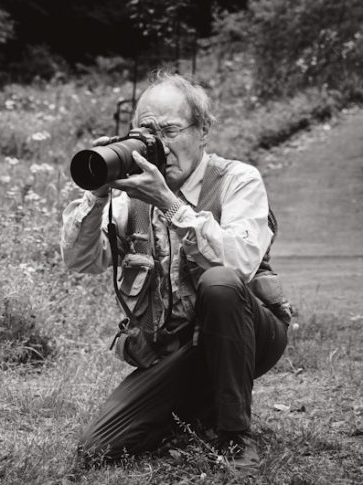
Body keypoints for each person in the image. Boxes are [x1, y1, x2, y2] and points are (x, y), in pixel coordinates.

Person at [60, 72, 291, 472]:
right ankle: (200, 402)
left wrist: (168, 202)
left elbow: (237, 264)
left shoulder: (237, 179)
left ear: (203, 131)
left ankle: (234, 435)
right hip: (176, 352)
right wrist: (98, 194)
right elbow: (81, 260)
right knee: (96, 448)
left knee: (220, 282)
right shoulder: (130, 197)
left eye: (170, 130)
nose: (160, 144)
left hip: (252, 336)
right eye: (148, 131)